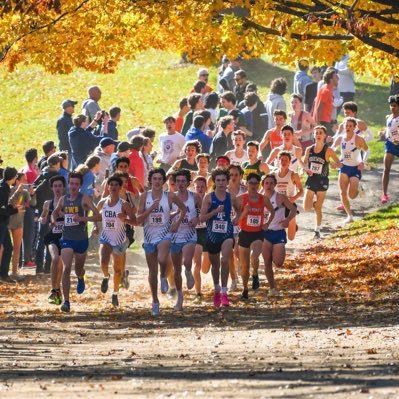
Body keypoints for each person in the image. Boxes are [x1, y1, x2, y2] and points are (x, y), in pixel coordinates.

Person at [136, 168, 187, 316]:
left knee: (163, 258)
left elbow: (184, 208)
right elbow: (139, 218)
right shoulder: (145, 196)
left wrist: (177, 223)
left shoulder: (169, 196)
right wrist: (151, 208)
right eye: (155, 178)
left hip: (165, 234)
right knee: (152, 272)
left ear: (163, 181)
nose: (157, 181)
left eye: (160, 179)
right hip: (149, 236)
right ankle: (155, 301)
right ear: (150, 181)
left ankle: (163, 275)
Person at [51, 172, 101, 312]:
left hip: (81, 240)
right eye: (71, 183)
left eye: (76, 184)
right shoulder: (63, 199)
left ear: (80, 185)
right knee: (66, 268)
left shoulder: (84, 199)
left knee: (78, 269)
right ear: (68, 183)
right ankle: (66, 301)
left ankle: (80, 276)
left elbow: (98, 216)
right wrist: (53, 220)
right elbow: (55, 212)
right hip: (67, 239)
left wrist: (82, 219)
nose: (73, 186)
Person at [199, 168, 240, 308]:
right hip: (211, 235)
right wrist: (215, 211)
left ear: (227, 182)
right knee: (215, 265)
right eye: (218, 180)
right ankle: (216, 289)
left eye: (223, 180)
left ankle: (224, 292)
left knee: (224, 260)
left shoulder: (231, 197)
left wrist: (236, 219)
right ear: (214, 182)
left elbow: (240, 210)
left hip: (227, 234)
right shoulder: (209, 197)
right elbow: (202, 218)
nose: (221, 183)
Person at [97, 175, 135, 307]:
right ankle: (106, 276)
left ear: (120, 188)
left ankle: (115, 293)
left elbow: (134, 221)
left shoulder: (124, 204)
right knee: (103, 261)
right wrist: (95, 227)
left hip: (119, 239)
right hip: (106, 237)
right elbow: (96, 216)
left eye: (115, 185)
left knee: (118, 270)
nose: (113, 187)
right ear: (108, 187)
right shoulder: (102, 203)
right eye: (111, 184)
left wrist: (125, 218)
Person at [237, 173, 275, 300]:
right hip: (244, 233)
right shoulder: (241, 199)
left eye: (255, 183)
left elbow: (272, 212)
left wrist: (267, 224)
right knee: (244, 266)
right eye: (251, 183)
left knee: (254, 256)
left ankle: (255, 274)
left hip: (258, 233)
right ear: (246, 184)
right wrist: (245, 212)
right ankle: (245, 289)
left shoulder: (263, 199)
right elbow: (237, 220)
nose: (253, 185)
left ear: (259, 185)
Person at [170, 169, 201, 311]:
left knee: (187, 261)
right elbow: (165, 215)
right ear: (175, 183)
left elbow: (203, 212)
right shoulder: (170, 197)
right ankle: (180, 297)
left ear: (188, 183)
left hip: (189, 234)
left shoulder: (195, 197)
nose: (180, 184)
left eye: (183, 181)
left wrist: (197, 219)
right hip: (174, 235)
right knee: (176, 269)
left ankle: (189, 271)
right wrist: (174, 215)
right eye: (178, 181)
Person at [302, 126, 342, 238]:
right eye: (316, 133)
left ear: (324, 136)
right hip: (311, 179)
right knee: (306, 208)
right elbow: (304, 163)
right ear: (313, 135)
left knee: (318, 208)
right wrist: (304, 169)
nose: (318, 135)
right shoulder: (308, 149)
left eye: (320, 133)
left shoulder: (328, 150)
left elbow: (339, 163)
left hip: (322, 181)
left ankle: (317, 230)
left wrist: (335, 165)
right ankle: (314, 204)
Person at [261, 174, 296, 296]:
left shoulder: (280, 197)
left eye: (271, 183)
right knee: (267, 262)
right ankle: (272, 288)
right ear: (263, 185)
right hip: (265, 234)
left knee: (278, 262)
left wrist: (287, 220)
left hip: (278, 233)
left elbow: (293, 209)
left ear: (275, 185)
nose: (269, 185)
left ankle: (273, 285)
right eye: (266, 183)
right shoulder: (259, 198)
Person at [332, 117, 368, 224]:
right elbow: (332, 149)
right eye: (346, 126)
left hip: (355, 168)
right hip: (343, 167)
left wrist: (363, 162)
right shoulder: (340, 138)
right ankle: (349, 216)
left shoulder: (359, 139)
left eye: (350, 126)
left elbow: (367, 150)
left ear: (354, 128)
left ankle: (359, 188)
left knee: (351, 195)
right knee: (343, 193)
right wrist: (334, 161)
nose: (347, 128)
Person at [33, 154, 62, 274]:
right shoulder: (57, 177)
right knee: (52, 238)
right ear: (56, 164)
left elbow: (34, 189)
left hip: (41, 211)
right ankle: (47, 266)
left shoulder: (41, 175)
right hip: (53, 211)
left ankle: (38, 266)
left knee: (41, 238)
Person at [40, 175, 66, 305]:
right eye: (55, 186)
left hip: (66, 237)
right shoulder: (47, 203)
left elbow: (75, 218)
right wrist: (43, 219)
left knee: (60, 263)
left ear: (63, 187)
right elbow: (43, 216)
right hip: (52, 237)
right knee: (55, 259)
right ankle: (53, 290)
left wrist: (64, 215)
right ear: (52, 188)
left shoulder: (68, 202)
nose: (57, 188)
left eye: (60, 186)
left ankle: (58, 290)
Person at [8, 173, 36, 281]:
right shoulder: (10, 190)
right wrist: (17, 191)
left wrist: (32, 194)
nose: (25, 183)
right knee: (5, 247)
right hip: (8, 221)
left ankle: (15, 271)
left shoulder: (25, 192)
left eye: (26, 180)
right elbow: (9, 202)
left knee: (17, 248)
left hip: (19, 222)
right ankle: (5, 270)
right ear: (17, 181)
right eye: (23, 180)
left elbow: (33, 203)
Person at [273, 151, 304, 240]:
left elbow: (301, 191)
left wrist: (294, 198)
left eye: (286, 160)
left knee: (291, 238)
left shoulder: (294, 175)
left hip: (289, 204)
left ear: (290, 162)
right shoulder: (273, 174)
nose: (284, 162)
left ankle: (292, 222)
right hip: (277, 204)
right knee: (277, 227)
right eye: (282, 160)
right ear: (278, 161)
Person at [0, 167, 23, 283]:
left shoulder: (3, 186)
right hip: (1, 223)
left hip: (3, 223)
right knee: (6, 247)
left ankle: (3, 274)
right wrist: (14, 211)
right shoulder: (3, 190)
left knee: (8, 247)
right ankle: (3, 274)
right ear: (13, 177)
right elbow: (1, 209)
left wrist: (12, 208)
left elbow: (4, 206)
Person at [20, 148, 39, 268]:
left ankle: (25, 259)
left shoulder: (23, 169)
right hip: (28, 207)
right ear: (35, 158)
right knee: (29, 234)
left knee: (26, 234)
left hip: (24, 206)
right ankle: (27, 260)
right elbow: (33, 190)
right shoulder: (31, 173)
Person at [192, 176, 210, 303]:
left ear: (206, 187)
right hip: (196, 233)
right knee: (197, 264)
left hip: (209, 233)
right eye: (197, 186)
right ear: (194, 187)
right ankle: (198, 293)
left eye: (202, 186)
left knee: (205, 269)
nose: (199, 189)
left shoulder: (210, 199)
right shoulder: (190, 200)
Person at [381, 94, 399, 204]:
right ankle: (384, 194)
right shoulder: (389, 117)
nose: (393, 108)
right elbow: (389, 129)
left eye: (395, 106)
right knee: (386, 169)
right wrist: (383, 133)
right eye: (391, 105)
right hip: (390, 144)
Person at [313, 67, 339, 137]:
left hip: (325, 122)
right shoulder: (326, 91)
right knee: (326, 145)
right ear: (331, 80)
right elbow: (319, 108)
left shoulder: (326, 88)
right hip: (323, 123)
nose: (338, 78)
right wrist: (318, 126)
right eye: (335, 77)